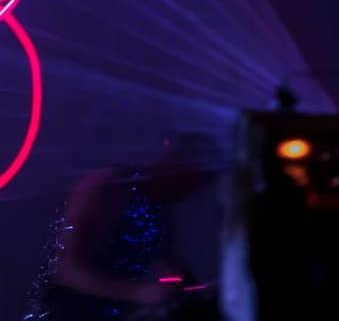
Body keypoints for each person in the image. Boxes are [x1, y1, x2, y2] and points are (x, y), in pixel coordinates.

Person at [23, 133, 220, 320]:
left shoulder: (160, 207)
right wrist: (140, 292)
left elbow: (163, 263)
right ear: (178, 164)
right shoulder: (108, 187)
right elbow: (67, 272)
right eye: (193, 182)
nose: (190, 194)